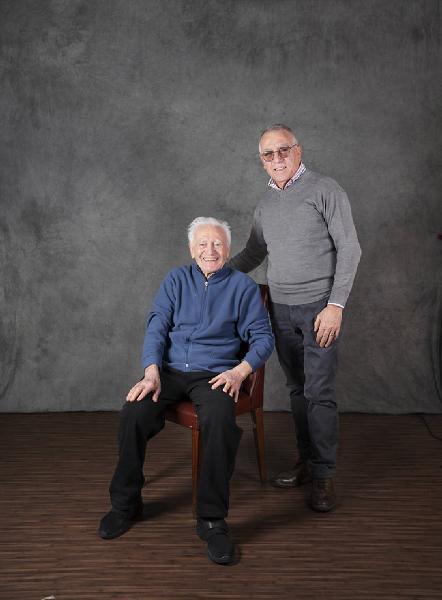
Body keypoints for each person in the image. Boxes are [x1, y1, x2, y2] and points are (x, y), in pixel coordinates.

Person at [98, 217, 274, 565]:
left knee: (221, 420)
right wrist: (151, 373)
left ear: (227, 249)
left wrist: (239, 372)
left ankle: (212, 520)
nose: (211, 250)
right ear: (192, 250)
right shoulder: (175, 280)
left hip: (215, 374)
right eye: (203, 244)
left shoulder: (242, 287)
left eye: (218, 244)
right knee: (133, 412)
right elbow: (157, 326)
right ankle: (126, 503)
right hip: (170, 371)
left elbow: (263, 338)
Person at [229, 124, 361, 512]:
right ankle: (306, 463)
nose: (277, 159)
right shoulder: (266, 203)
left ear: (298, 151)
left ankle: (323, 476)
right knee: (298, 392)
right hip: (280, 310)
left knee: (319, 394)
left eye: (283, 150)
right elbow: (254, 253)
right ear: (261, 161)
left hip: (320, 309)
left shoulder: (325, 190)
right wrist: (216, 274)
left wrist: (336, 306)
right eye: (268, 155)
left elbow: (350, 249)